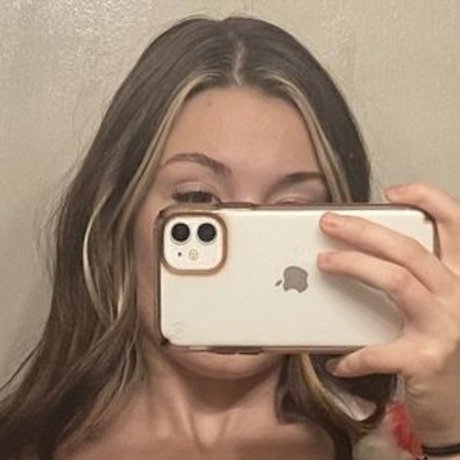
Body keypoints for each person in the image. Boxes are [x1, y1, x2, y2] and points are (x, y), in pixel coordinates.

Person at [1, 15, 459, 460]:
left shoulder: (403, 445)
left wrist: (450, 439)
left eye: (290, 209)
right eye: (197, 198)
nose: (244, 255)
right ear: (116, 217)